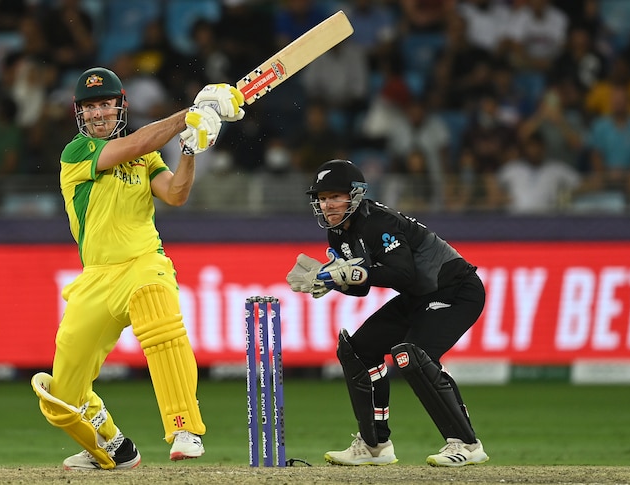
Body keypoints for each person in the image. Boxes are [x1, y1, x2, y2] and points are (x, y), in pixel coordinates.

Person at [29, 67, 244, 470]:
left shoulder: (146, 155)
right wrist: (189, 113)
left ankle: (184, 427)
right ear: (79, 113)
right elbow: (131, 146)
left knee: (159, 323)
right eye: (89, 107)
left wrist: (190, 149)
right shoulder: (76, 153)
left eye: (104, 104)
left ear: (119, 106)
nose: (97, 114)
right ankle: (113, 447)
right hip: (96, 277)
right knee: (60, 398)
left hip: (145, 263)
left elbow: (175, 194)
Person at [286, 159, 489, 467]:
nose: (327, 205)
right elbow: (361, 287)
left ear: (354, 195)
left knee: (413, 354)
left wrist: (354, 273)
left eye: (334, 196)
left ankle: (467, 444)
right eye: (323, 198)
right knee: (358, 350)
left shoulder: (378, 222)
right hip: (417, 297)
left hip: (456, 290)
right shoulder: (338, 232)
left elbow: (402, 274)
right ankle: (374, 445)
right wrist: (333, 280)